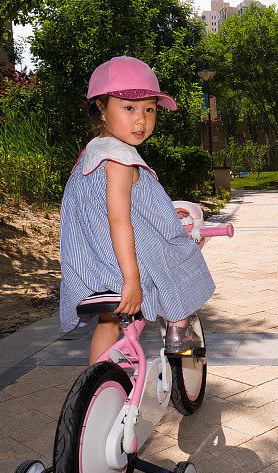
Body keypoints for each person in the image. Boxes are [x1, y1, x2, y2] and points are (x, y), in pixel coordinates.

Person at [59, 56, 216, 363]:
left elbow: (116, 211)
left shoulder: (90, 154)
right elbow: (119, 221)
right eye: (129, 108)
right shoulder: (120, 159)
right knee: (182, 259)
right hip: (125, 265)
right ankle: (178, 328)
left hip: (93, 266)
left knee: (109, 322)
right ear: (101, 109)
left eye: (150, 109)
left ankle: (96, 381)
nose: (141, 119)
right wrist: (131, 280)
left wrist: (163, 211)